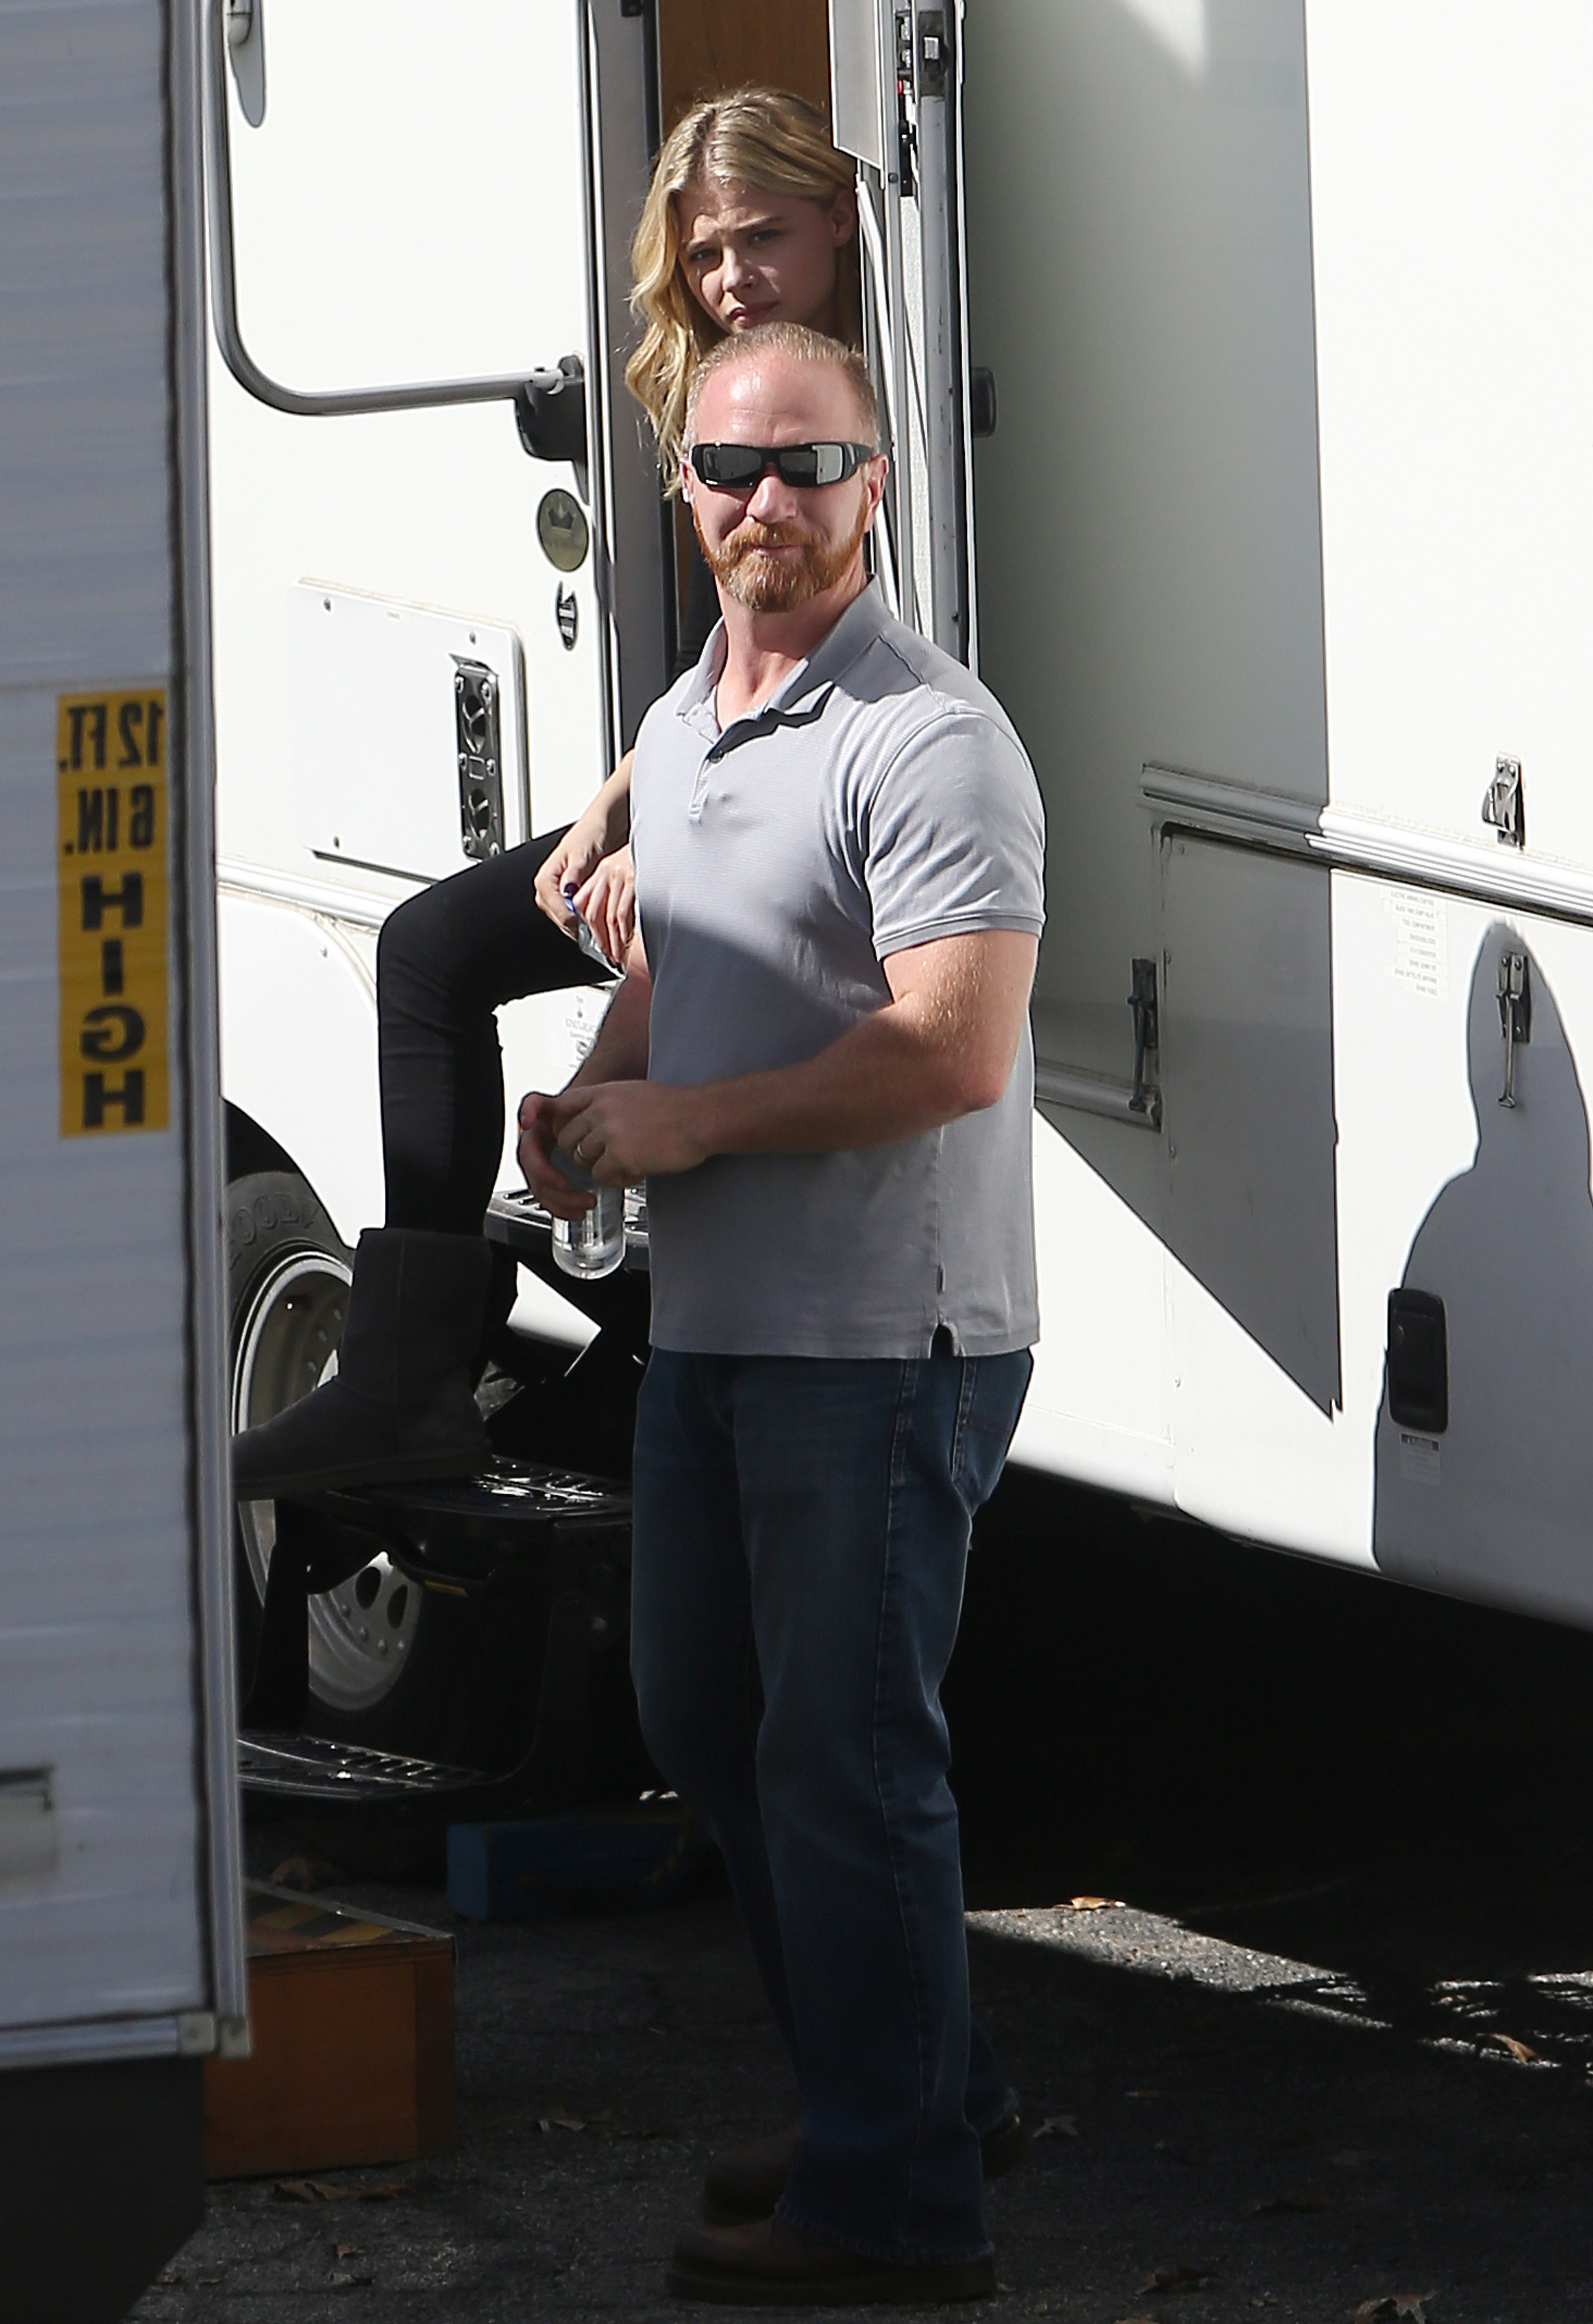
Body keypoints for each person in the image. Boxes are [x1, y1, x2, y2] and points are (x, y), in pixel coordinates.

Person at [517, 322, 1045, 2302]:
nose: (769, 503)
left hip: (882, 1345)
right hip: (722, 1327)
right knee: (708, 1724)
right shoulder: (682, 723)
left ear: (872, 485)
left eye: (809, 466)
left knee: (842, 1763)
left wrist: (687, 1123)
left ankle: (897, 2208)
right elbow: (682, 964)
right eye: (733, 468)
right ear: (683, 492)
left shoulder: (929, 739)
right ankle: (901, 2098)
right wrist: (595, 1093)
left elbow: (949, 1050)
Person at [232, 89, 861, 1499]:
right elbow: (737, 659)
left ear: (840, 218)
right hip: (724, 783)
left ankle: (564, 1365)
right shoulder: (723, 384)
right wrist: (623, 803)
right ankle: (409, 1381)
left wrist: (673, 826)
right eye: (704, 253)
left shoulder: (865, 413)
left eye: (761, 238)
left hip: (826, 823)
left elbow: (837, 677)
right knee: (431, 948)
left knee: (627, 991)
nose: (732, 277)